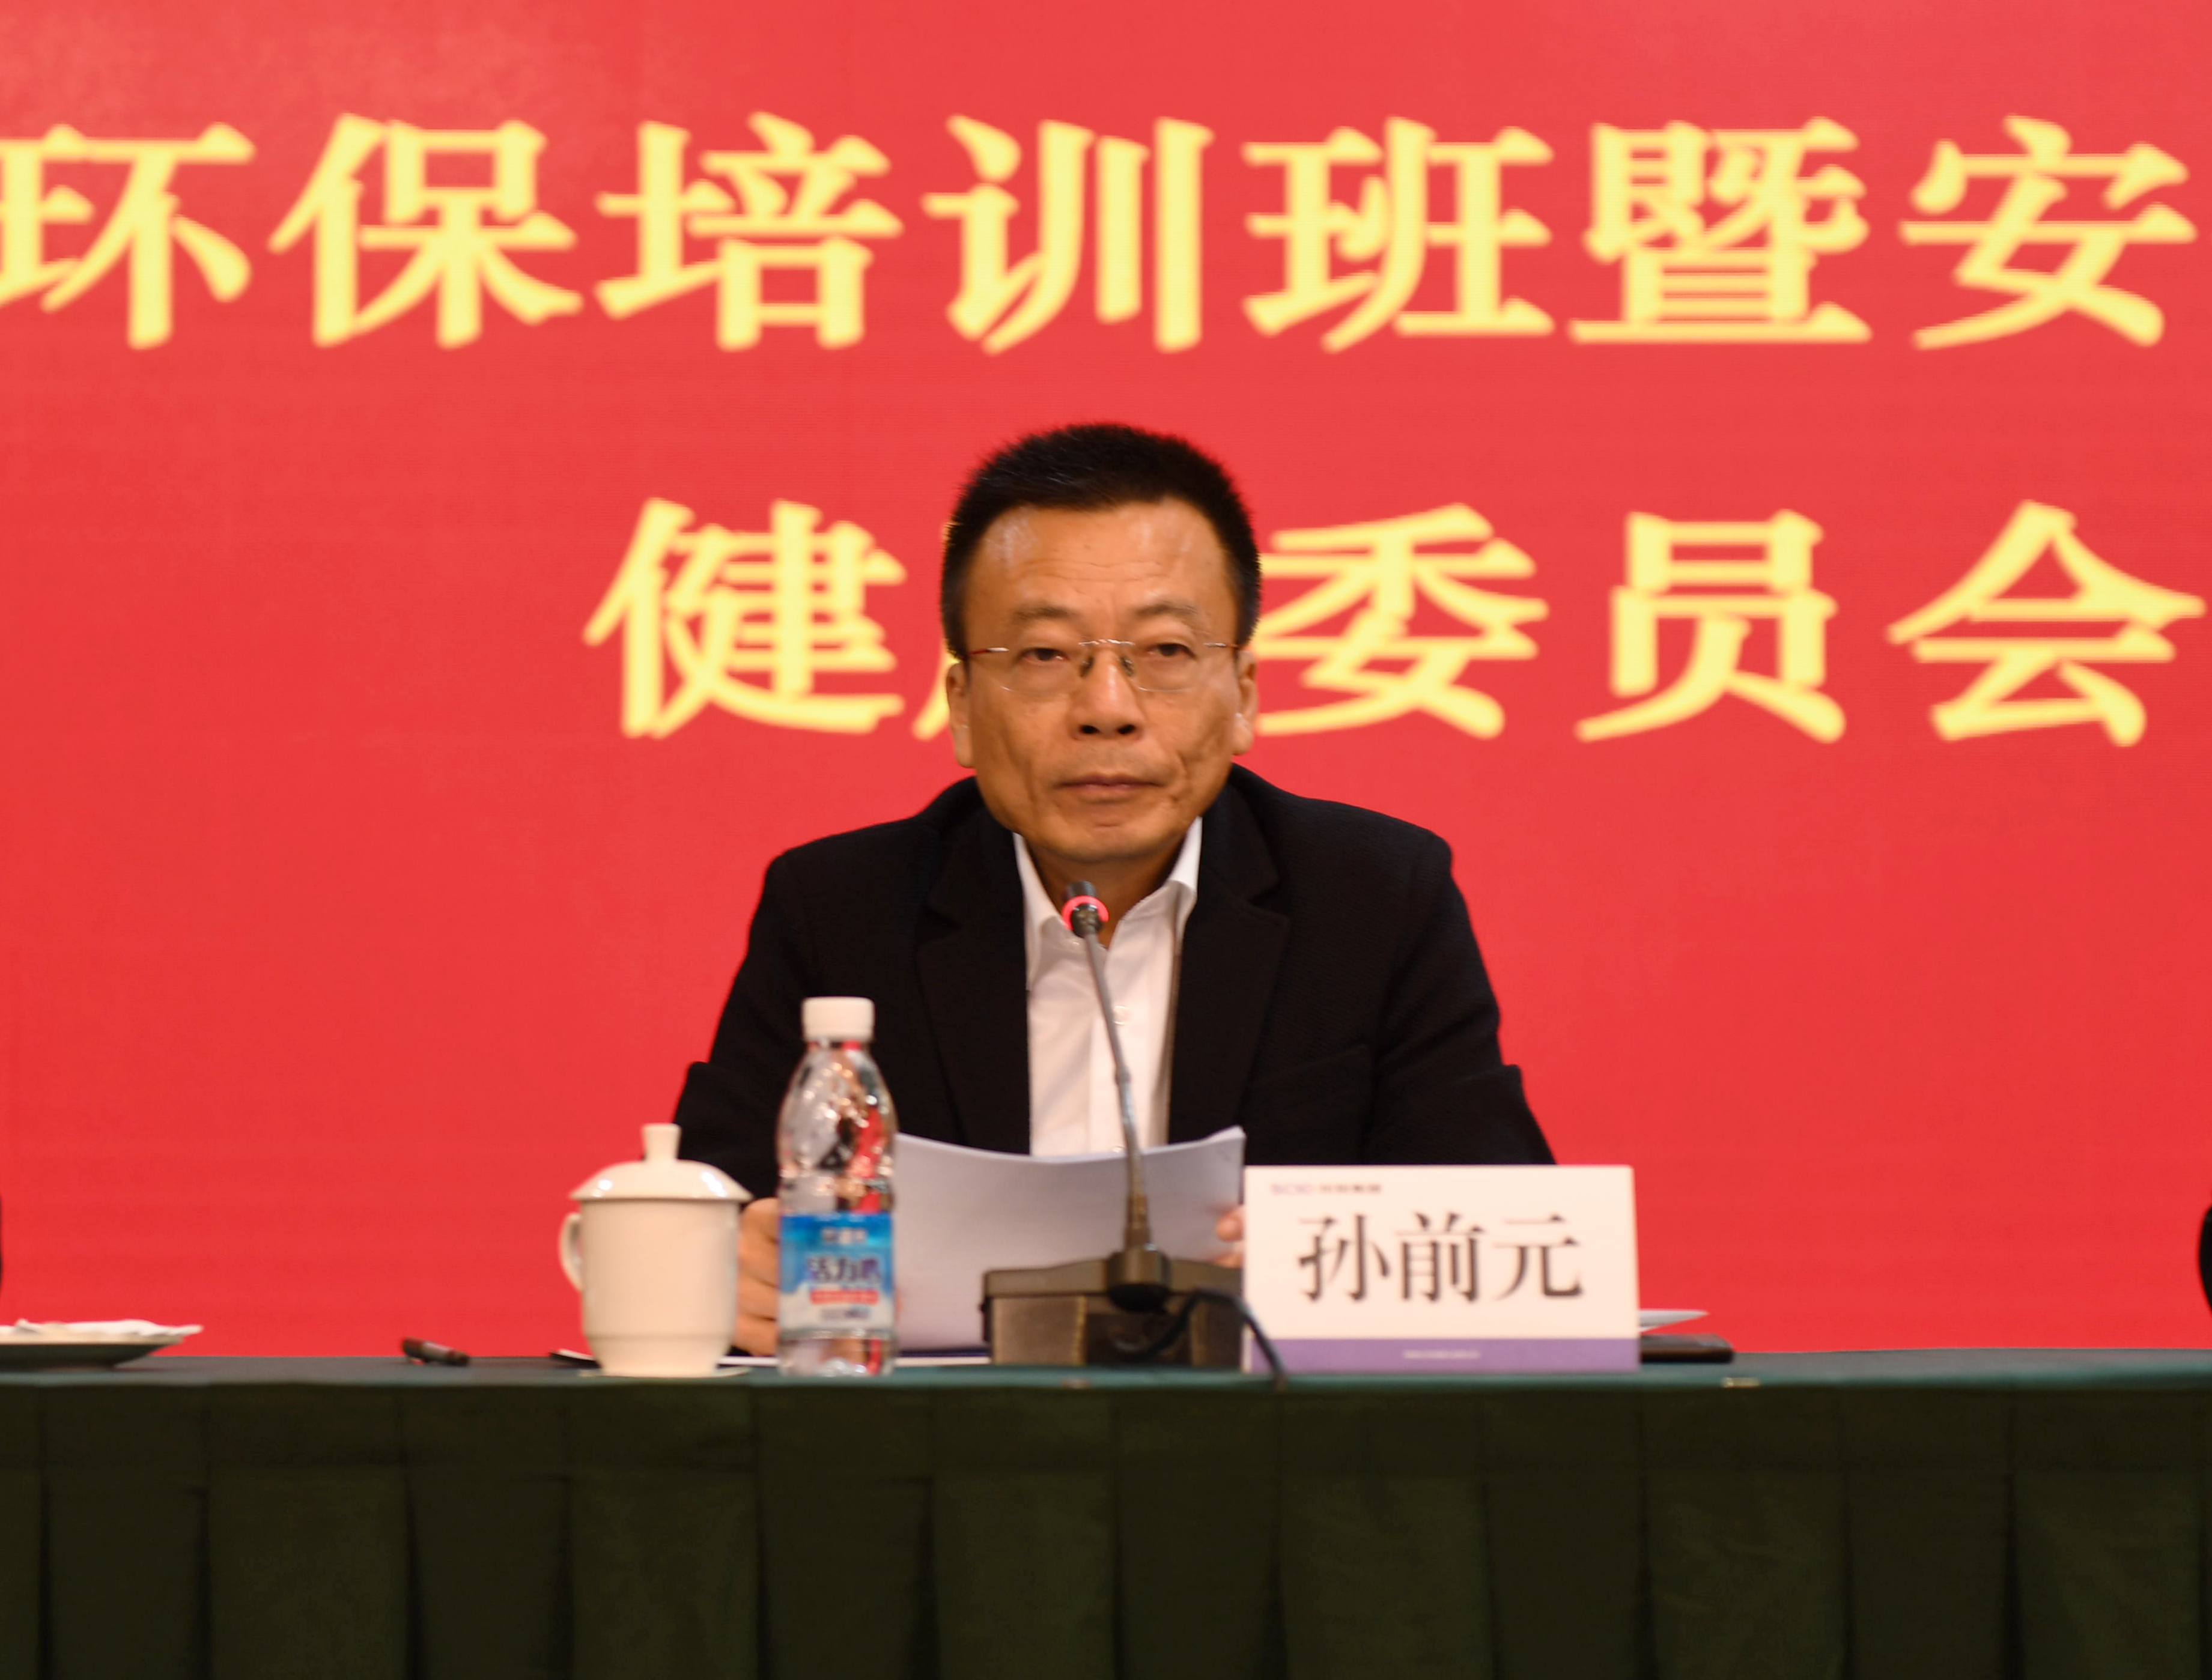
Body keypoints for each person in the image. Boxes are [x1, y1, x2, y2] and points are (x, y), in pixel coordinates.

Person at [674, 422, 1552, 1353]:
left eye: (1165, 650)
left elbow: (1494, 1228)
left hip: (1267, 1423)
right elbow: (713, 1208)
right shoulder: (841, 908)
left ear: (1244, 692)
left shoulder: (1372, 896)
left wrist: (1326, 1262)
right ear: (961, 706)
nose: (1106, 709)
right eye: (1043, 656)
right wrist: (730, 1264)